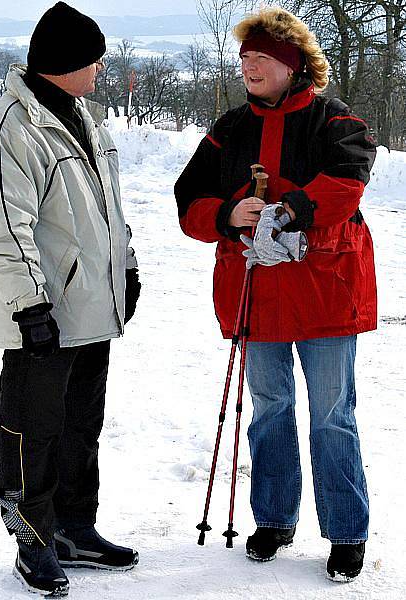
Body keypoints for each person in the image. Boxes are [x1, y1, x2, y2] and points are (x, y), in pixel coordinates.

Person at [175, 7, 376, 583]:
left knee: (333, 417)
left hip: (325, 290)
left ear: (293, 65)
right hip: (255, 291)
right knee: (268, 411)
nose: (250, 65)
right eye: (245, 57)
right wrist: (226, 213)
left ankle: (346, 531)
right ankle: (274, 519)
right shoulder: (229, 128)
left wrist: (291, 211)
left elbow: (347, 181)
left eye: (263, 57)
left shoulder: (335, 120)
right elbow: (188, 196)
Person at [0, 2, 141, 596]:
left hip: (92, 307)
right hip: (43, 314)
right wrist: (28, 306)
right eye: (91, 58)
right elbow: (3, 227)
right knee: (32, 428)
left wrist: (128, 267)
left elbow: (108, 209)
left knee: (80, 428)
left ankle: (74, 527)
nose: (100, 67)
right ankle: (33, 541)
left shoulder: (86, 118)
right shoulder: (7, 126)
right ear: (63, 62)